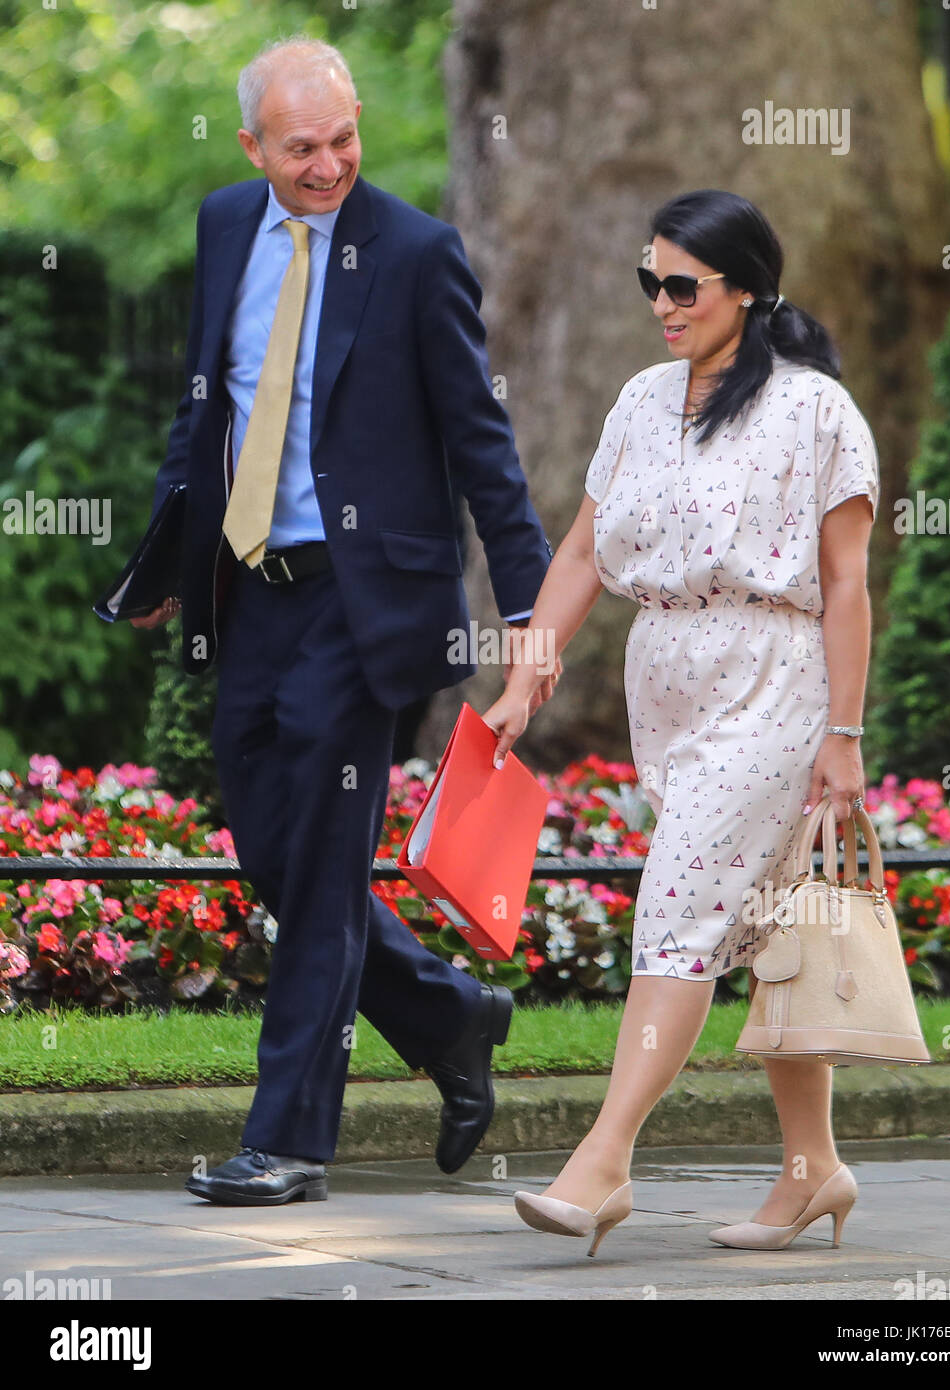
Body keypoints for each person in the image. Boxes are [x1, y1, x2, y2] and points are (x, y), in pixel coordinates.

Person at [130, 35, 561, 1205]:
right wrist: (168, 557)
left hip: (366, 608)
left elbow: (483, 442)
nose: (328, 166)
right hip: (246, 591)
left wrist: (527, 610)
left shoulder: (417, 253)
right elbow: (206, 406)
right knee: (271, 852)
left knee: (321, 870)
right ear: (254, 147)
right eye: (302, 147)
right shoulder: (228, 227)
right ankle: (450, 1013)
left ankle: (289, 1142)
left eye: (344, 139)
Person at [483, 189, 878, 1256]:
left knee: (679, 906)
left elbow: (845, 585)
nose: (660, 302)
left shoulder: (813, 411)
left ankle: (602, 1160)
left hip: (777, 681)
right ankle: (812, 1170)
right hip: (671, 688)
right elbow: (577, 557)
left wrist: (842, 734)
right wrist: (525, 681)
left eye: (681, 284)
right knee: (762, 928)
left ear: (745, 289)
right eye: (648, 280)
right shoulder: (641, 401)